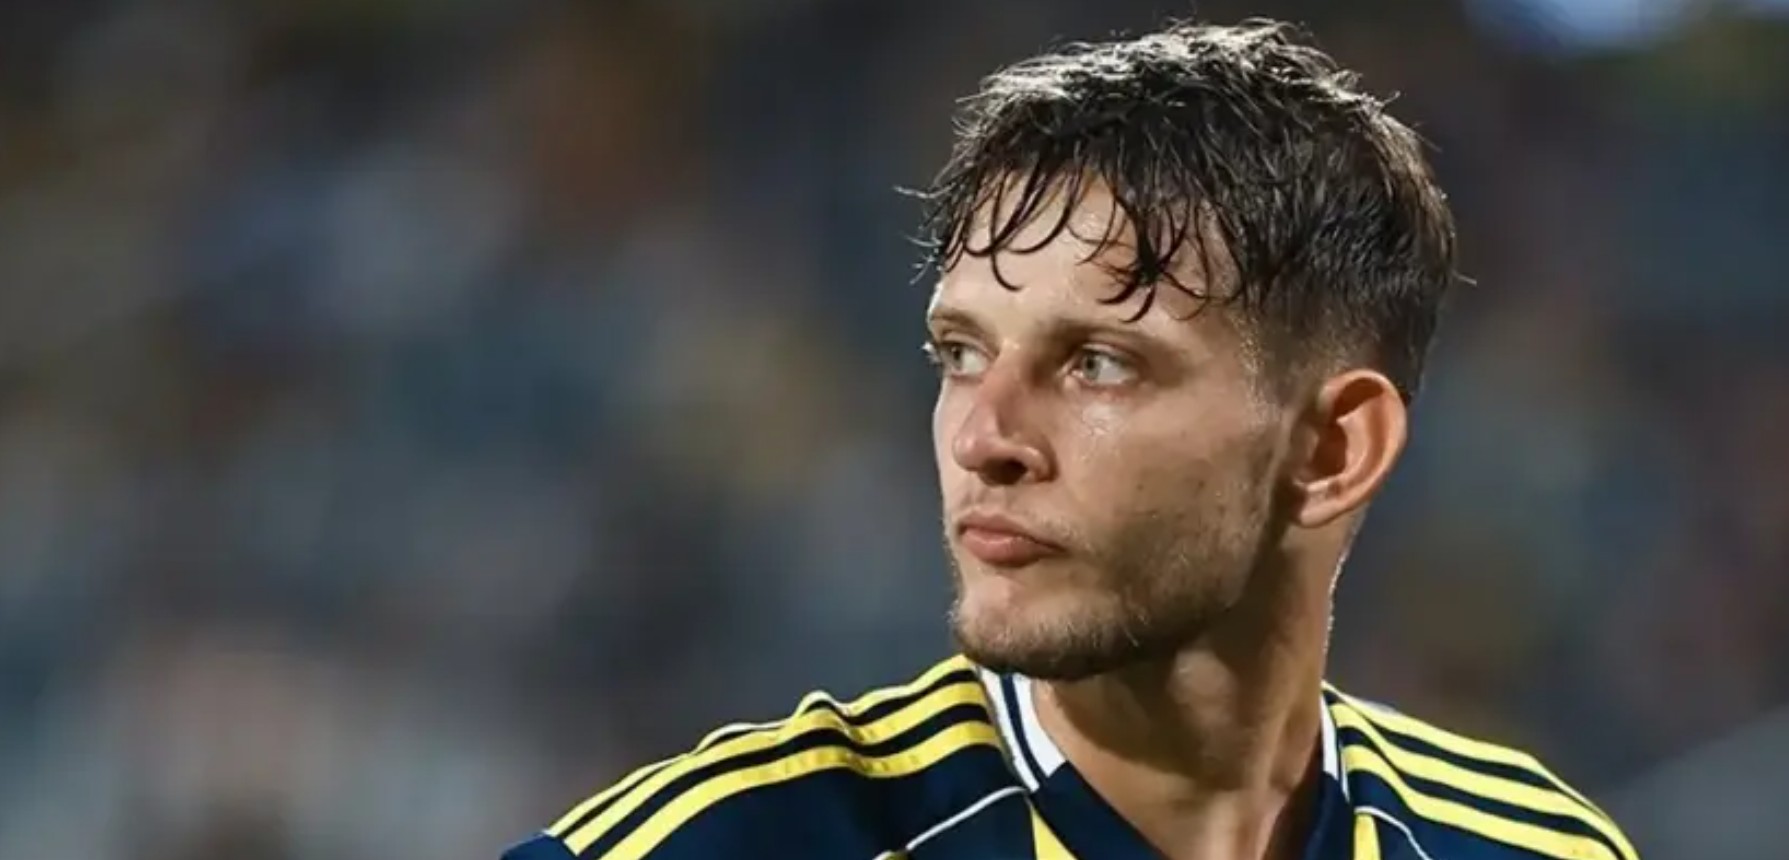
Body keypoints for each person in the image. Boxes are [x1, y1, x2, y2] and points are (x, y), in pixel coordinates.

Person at [502, 18, 1639, 860]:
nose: (985, 437)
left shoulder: (1540, 850)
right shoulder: (739, 844)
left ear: (1334, 448)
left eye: (1097, 363)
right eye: (960, 353)